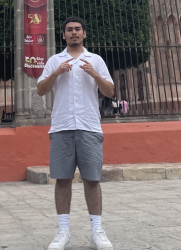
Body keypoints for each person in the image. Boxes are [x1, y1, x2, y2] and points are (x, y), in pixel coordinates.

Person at [37, 16, 114, 250]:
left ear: (84, 34)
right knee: (62, 180)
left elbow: (109, 91)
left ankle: (96, 231)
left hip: (89, 126)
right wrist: (56, 73)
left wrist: (95, 75)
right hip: (62, 127)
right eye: (69, 30)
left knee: (92, 180)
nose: (73, 33)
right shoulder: (54, 61)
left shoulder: (96, 60)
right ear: (63, 35)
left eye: (77, 29)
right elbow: (41, 89)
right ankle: (63, 231)